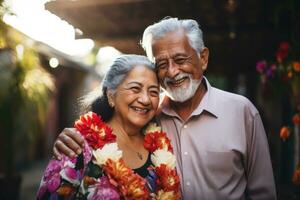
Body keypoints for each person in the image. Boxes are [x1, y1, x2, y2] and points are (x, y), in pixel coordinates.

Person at [53, 18, 277, 199]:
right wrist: (72, 137)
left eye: (180, 59)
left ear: (203, 58)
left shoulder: (241, 112)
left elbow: (263, 193)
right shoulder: (148, 114)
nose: (171, 72)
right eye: (161, 64)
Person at [37, 55, 180, 199]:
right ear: (111, 96)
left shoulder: (160, 148)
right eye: (135, 88)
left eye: (154, 92)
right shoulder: (77, 146)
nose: (145, 99)